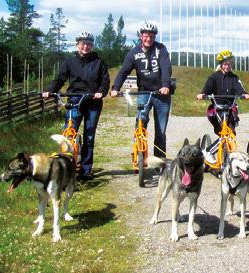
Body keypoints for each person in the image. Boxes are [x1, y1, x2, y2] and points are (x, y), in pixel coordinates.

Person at [42, 31, 110, 181]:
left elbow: (105, 81)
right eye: (83, 43)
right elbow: (59, 79)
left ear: (92, 45)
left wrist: (101, 92)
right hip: (75, 100)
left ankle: (86, 170)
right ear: (78, 44)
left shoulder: (99, 62)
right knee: (68, 133)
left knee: (89, 136)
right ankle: (65, 168)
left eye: (89, 44)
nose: (86, 46)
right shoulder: (69, 61)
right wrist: (49, 90)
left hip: (93, 101)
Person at [110, 21, 172, 158]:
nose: (148, 39)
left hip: (161, 94)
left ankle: (159, 161)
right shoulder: (133, 53)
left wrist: (166, 85)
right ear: (141, 36)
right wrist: (115, 88)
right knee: (140, 124)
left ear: (154, 37)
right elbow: (123, 71)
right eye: (145, 35)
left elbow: (166, 68)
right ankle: (138, 155)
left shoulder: (161, 49)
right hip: (144, 93)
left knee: (161, 131)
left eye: (151, 36)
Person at [196, 50, 249, 163]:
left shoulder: (234, 77)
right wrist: (203, 94)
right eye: (225, 64)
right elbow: (207, 87)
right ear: (221, 65)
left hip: (230, 108)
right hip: (218, 108)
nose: (227, 66)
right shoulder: (214, 77)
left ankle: (227, 159)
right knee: (226, 135)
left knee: (231, 134)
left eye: (230, 64)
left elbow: (239, 88)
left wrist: (244, 94)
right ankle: (208, 151)